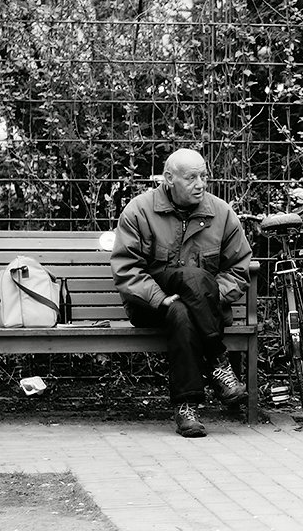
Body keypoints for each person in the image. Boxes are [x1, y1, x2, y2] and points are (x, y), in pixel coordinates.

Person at [110, 148, 252, 438]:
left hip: (196, 311)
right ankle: (217, 361)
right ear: (169, 178)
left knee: (184, 308)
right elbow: (127, 270)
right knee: (187, 283)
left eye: (203, 176)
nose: (200, 184)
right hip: (151, 306)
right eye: (191, 178)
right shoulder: (139, 211)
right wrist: (160, 298)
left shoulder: (221, 214)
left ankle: (187, 408)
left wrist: (206, 297)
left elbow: (238, 270)